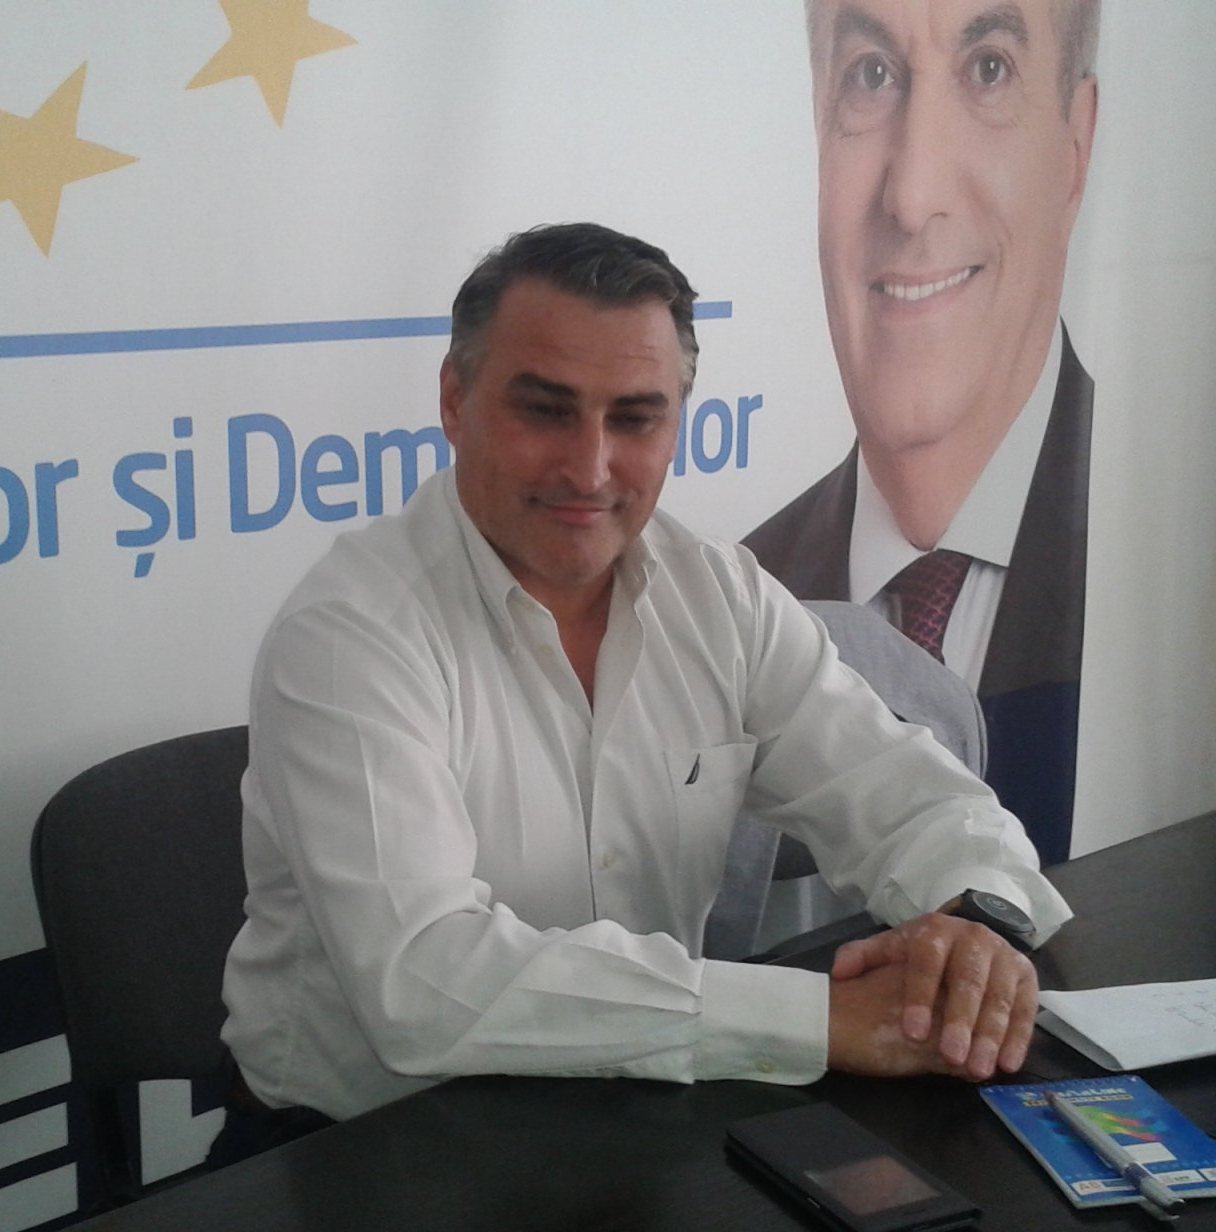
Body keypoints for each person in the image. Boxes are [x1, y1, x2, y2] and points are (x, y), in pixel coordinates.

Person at [215, 223, 1070, 1159]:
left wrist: (973, 928)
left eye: (634, 419)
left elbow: (907, 792)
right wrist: (818, 1019)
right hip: (362, 1152)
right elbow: (423, 985)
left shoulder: (720, 595)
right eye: (545, 410)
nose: (589, 468)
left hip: (638, 1112)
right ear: (455, 401)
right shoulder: (349, 634)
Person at [745, 0, 1100, 864]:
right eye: (869, 76)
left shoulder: (1181, 582)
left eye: (988, 70)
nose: (911, 197)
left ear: (1074, 151)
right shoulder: (739, 601)